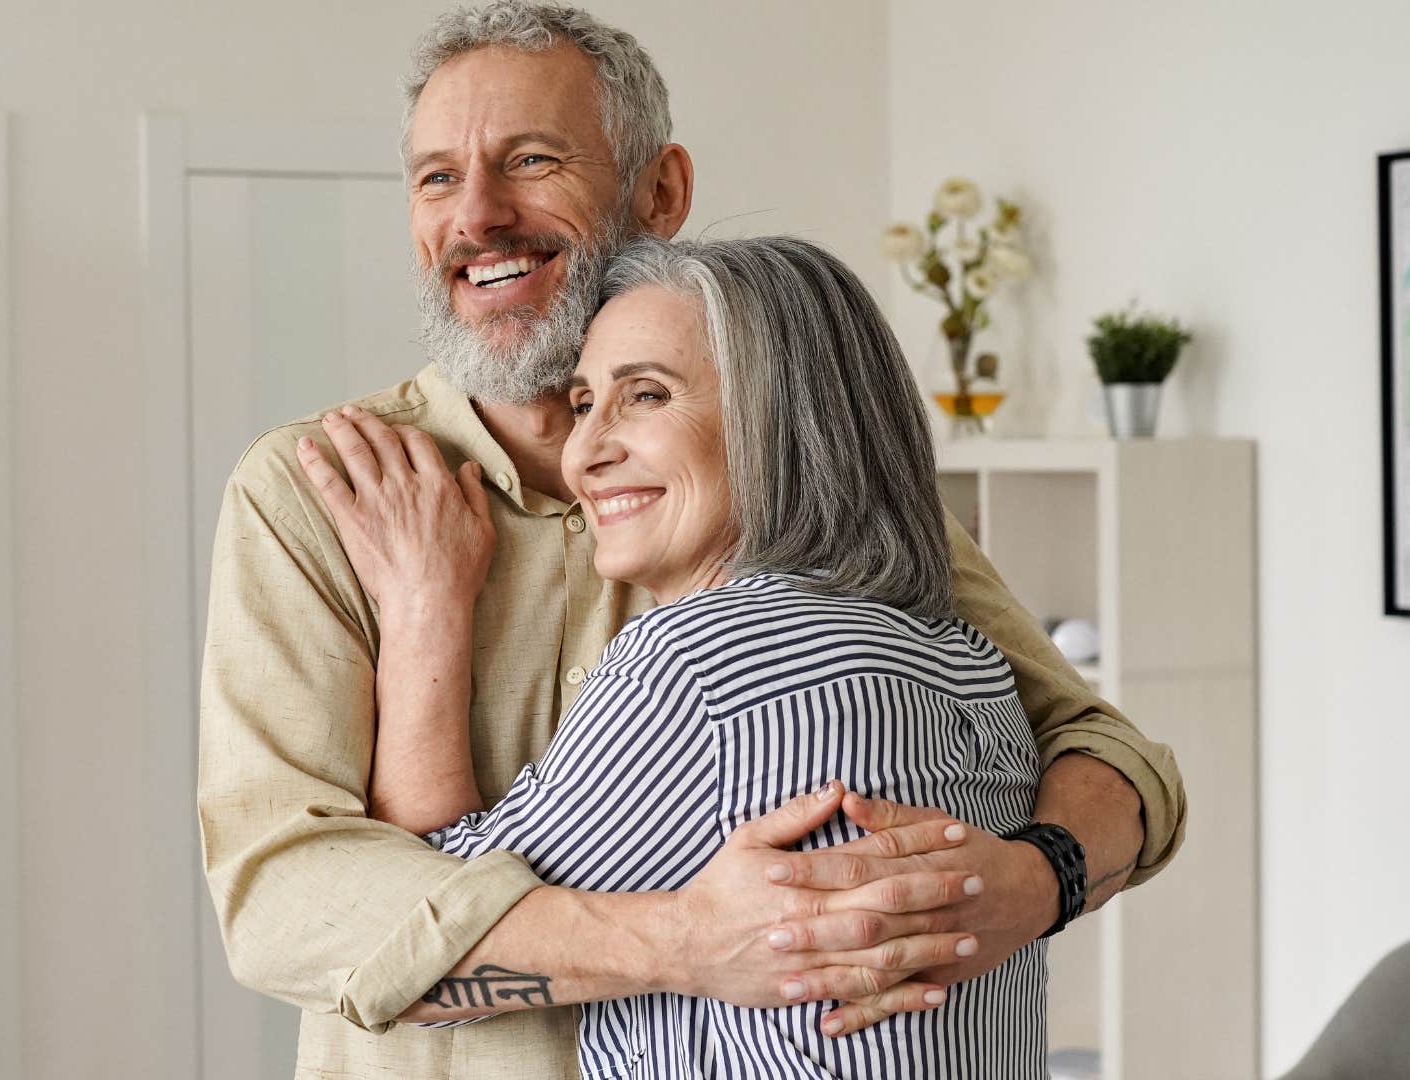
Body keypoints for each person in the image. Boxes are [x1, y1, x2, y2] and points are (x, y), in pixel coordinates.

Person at [197, 4, 1186, 1077]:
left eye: (530, 160)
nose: (476, 215)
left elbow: (1111, 754)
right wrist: (685, 945)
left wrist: (1034, 884)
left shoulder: (800, 488)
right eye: (436, 178)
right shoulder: (313, 493)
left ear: (659, 192)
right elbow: (285, 901)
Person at [305, 234, 1051, 1077]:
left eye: (647, 396)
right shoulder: (973, 665)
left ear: (785, 423)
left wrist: (422, 608)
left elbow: (431, 936)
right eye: (585, 404)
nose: (586, 453)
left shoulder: (701, 661)